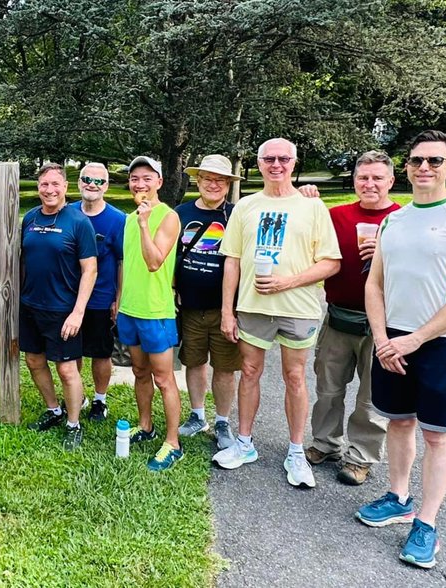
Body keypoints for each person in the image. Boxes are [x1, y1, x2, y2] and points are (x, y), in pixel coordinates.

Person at [355, 131, 446, 569]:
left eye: (435, 161)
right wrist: (381, 339)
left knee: (436, 434)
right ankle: (398, 497)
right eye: (416, 160)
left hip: (442, 342)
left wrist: (415, 340)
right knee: (397, 422)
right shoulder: (393, 221)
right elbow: (374, 283)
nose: (424, 168)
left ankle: (427, 522)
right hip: (391, 338)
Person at [213, 138, 341, 489]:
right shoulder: (246, 206)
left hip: (297, 307)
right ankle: (244, 443)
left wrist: (289, 282)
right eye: (268, 158)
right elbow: (232, 262)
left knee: (295, 377)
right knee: (250, 371)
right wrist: (228, 310)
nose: (276, 164)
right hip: (253, 306)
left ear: (294, 162)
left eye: (283, 158)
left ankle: (297, 452)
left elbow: (331, 262)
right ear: (259, 162)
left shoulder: (313, 208)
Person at [306, 151, 400, 485]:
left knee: (372, 398)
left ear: (391, 181)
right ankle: (325, 444)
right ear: (355, 180)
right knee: (328, 389)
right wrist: (307, 198)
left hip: (383, 326)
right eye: (363, 177)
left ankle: (360, 457)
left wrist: (388, 256)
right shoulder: (338, 216)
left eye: (377, 178)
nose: (370, 184)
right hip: (338, 318)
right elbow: (307, 230)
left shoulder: (402, 220)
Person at [115, 156, 185, 471]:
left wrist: (145, 223)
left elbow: (154, 261)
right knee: (140, 373)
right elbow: (126, 264)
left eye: (147, 178)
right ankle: (146, 427)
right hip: (130, 309)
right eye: (134, 179)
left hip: (156, 312)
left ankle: (173, 442)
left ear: (159, 182)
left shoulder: (168, 217)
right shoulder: (129, 219)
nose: (139, 184)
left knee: (164, 379)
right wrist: (119, 300)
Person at [22, 163, 97, 450]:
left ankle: (73, 423)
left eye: (55, 184)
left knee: (67, 369)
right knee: (34, 361)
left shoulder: (78, 222)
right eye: (44, 185)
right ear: (38, 187)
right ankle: (54, 410)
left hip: (63, 309)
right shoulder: (29, 218)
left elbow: (90, 270)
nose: (49, 190)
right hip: (30, 304)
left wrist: (78, 312)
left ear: (65, 187)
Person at [175, 155, 241, 450]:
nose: (213, 185)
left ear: (227, 184)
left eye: (220, 180)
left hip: (225, 308)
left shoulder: (237, 215)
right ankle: (197, 415)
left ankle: (223, 421)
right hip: (189, 306)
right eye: (207, 178)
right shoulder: (180, 213)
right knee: (194, 361)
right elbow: (170, 254)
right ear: (197, 181)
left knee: (225, 367)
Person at [66, 162, 124, 421]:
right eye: (87, 179)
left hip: (101, 299)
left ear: (106, 187)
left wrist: (118, 299)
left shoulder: (117, 220)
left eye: (99, 181)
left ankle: (100, 400)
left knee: (100, 353)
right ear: (79, 182)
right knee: (72, 351)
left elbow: (122, 262)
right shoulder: (66, 213)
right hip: (67, 296)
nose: (92, 184)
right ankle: (77, 394)